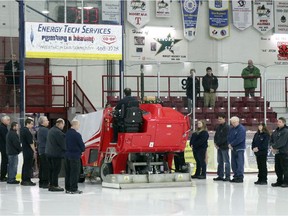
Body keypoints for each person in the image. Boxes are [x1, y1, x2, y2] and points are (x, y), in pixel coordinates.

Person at [65, 119, 85, 194]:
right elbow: (82, 146)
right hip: (75, 156)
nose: (79, 127)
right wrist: (82, 149)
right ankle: (73, 188)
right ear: (75, 125)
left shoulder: (66, 133)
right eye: (78, 125)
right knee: (75, 173)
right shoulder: (77, 135)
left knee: (68, 172)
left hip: (67, 155)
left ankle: (67, 188)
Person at [45, 118, 66, 192]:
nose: (63, 126)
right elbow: (63, 144)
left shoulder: (51, 130)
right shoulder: (58, 132)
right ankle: (55, 185)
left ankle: (51, 184)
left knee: (51, 170)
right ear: (60, 124)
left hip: (49, 153)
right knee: (56, 170)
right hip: (56, 154)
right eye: (63, 124)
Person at [269, 117, 288, 187]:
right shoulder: (276, 131)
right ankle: (279, 181)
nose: (278, 123)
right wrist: (272, 147)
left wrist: (274, 147)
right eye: (278, 121)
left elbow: (281, 142)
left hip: (284, 152)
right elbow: (270, 140)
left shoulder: (286, 131)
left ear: (284, 123)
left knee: (285, 168)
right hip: (277, 153)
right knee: (278, 168)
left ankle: (286, 182)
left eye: (280, 122)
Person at [228, 116, 246, 183]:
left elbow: (240, 139)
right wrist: (229, 144)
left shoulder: (241, 129)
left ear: (238, 121)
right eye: (232, 122)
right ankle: (235, 176)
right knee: (233, 163)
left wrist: (231, 144)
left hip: (239, 148)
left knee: (240, 163)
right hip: (233, 149)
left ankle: (240, 176)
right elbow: (228, 137)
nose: (233, 123)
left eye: (234, 122)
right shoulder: (231, 129)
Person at [213, 113, 231, 181]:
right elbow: (216, 136)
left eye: (220, 119)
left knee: (226, 161)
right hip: (219, 147)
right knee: (219, 161)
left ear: (224, 119)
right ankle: (220, 175)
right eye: (218, 119)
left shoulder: (227, 127)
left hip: (224, 147)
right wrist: (215, 143)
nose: (219, 120)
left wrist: (218, 143)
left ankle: (227, 176)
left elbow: (226, 138)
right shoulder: (218, 127)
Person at [20, 118, 36, 186]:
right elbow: (31, 143)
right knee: (28, 166)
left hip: (25, 150)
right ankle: (27, 180)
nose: (32, 125)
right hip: (28, 151)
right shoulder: (27, 131)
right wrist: (34, 150)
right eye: (31, 124)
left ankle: (24, 179)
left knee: (25, 165)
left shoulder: (22, 130)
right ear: (28, 123)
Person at [37, 116, 50, 189]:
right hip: (45, 150)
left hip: (41, 150)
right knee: (45, 167)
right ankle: (45, 182)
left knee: (42, 167)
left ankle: (41, 182)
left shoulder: (40, 129)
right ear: (42, 122)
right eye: (46, 120)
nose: (48, 121)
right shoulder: (45, 130)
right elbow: (49, 139)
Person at [0, 115, 10, 181]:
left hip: (3, 146)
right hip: (3, 147)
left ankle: (3, 175)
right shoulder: (2, 128)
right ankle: (2, 176)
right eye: (8, 120)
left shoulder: (3, 127)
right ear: (3, 121)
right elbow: (6, 138)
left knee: (4, 161)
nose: (9, 121)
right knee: (4, 161)